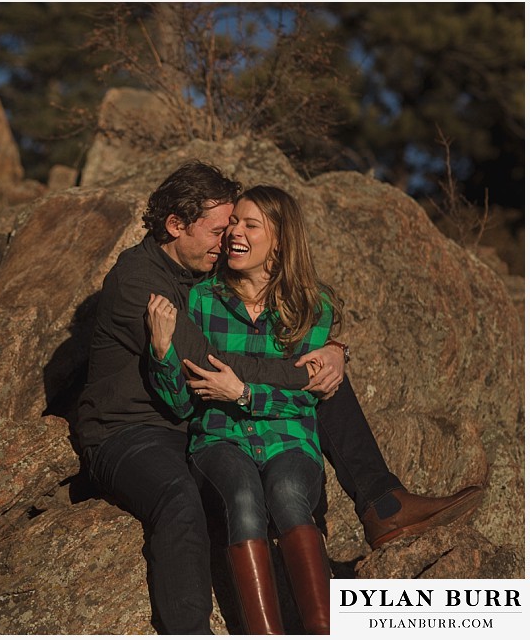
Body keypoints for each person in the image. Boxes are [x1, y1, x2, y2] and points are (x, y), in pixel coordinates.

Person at [74, 161, 483, 635]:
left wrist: (332, 351)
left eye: (236, 227)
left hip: (190, 421)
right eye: (217, 230)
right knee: (179, 497)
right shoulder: (137, 280)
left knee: (322, 390)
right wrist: (303, 367)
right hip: (132, 432)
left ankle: (380, 503)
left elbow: (263, 329)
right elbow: (207, 364)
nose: (226, 240)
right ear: (175, 225)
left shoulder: (202, 268)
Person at [147, 185, 340, 634]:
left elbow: (309, 393)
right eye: (234, 222)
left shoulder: (313, 307)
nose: (234, 232)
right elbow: (181, 400)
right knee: (244, 498)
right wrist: (162, 352)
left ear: (280, 240)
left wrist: (244, 394)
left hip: (290, 439)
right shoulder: (201, 300)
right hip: (219, 439)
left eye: (250, 225)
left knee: (290, 496)